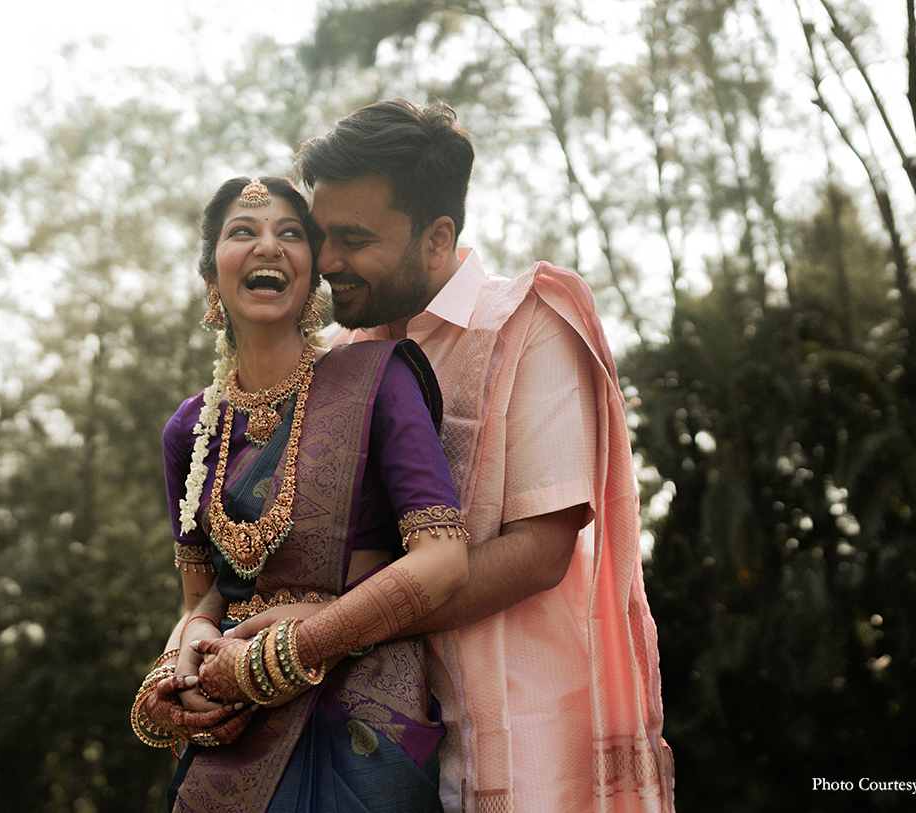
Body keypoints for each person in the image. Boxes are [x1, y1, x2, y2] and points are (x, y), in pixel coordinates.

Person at [219, 100, 676, 812]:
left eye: (354, 239)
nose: (327, 261)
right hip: (363, 755)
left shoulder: (530, 324)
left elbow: (539, 550)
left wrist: (323, 630)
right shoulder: (332, 360)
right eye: (322, 234)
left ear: (438, 237)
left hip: (523, 742)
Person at [131, 176, 471, 812]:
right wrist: (174, 672)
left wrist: (288, 654)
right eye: (243, 232)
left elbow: (445, 559)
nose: (268, 246)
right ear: (211, 277)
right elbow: (202, 597)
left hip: (359, 702)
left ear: (313, 276)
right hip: (233, 711)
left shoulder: (378, 379)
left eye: (290, 233)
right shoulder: (191, 429)